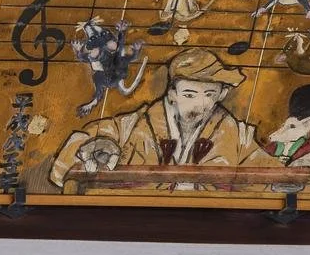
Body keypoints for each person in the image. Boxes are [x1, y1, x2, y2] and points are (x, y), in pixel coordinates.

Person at [47, 48, 267, 191]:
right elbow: (77, 149)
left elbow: (269, 177)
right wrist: (98, 143)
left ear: (221, 95)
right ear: (172, 94)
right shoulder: (134, 126)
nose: (200, 104)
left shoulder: (238, 135)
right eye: (189, 94)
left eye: (209, 94)